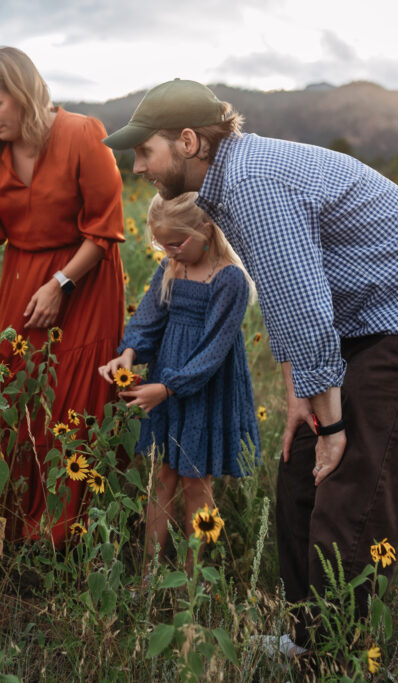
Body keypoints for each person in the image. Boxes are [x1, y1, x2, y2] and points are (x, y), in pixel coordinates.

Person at [102, 78, 398, 650]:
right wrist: (300, 405)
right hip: (365, 325)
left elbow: (305, 310)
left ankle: (338, 656)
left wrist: (331, 425)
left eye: (145, 151)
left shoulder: (253, 183)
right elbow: (286, 300)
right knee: (298, 469)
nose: (138, 167)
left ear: (187, 141)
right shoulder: (229, 183)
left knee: (353, 488)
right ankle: (306, 639)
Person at [0, 46, 126, 545]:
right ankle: (11, 528)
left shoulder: (83, 133)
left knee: (74, 401)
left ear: (25, 93)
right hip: (21, 277)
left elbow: (105, 228)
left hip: (85, 278)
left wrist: (62, 284)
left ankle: (69, 533)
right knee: (14, 395)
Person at [100, 192, 259, 572]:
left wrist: (168, 387)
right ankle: (150, 575)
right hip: (166, 383)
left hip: (204, 387)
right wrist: (130, 353)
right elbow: (149, 318)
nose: (169, 251)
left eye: (176, 243)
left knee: (195, 480)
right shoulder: (172, 266)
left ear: (206, 229)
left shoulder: (229, 279)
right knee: (162, 477)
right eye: (162, 244)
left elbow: (212, 353)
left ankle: (194, 577)